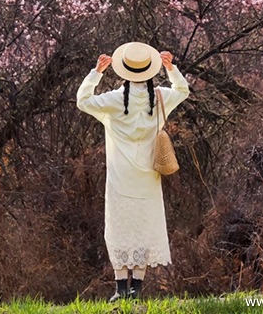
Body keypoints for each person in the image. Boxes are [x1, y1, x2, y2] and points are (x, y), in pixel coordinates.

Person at [76, 42, 189, 302]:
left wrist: (96, 73)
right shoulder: (160, 97)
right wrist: (171, 69)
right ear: (150, 70)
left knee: (118, 228)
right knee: (143, 227)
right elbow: (182, 90)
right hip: (149, 177)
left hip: (119, 177)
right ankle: (137, 288)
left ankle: (120, 289)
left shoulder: (114, 100)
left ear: (122, 70)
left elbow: (82, 101)